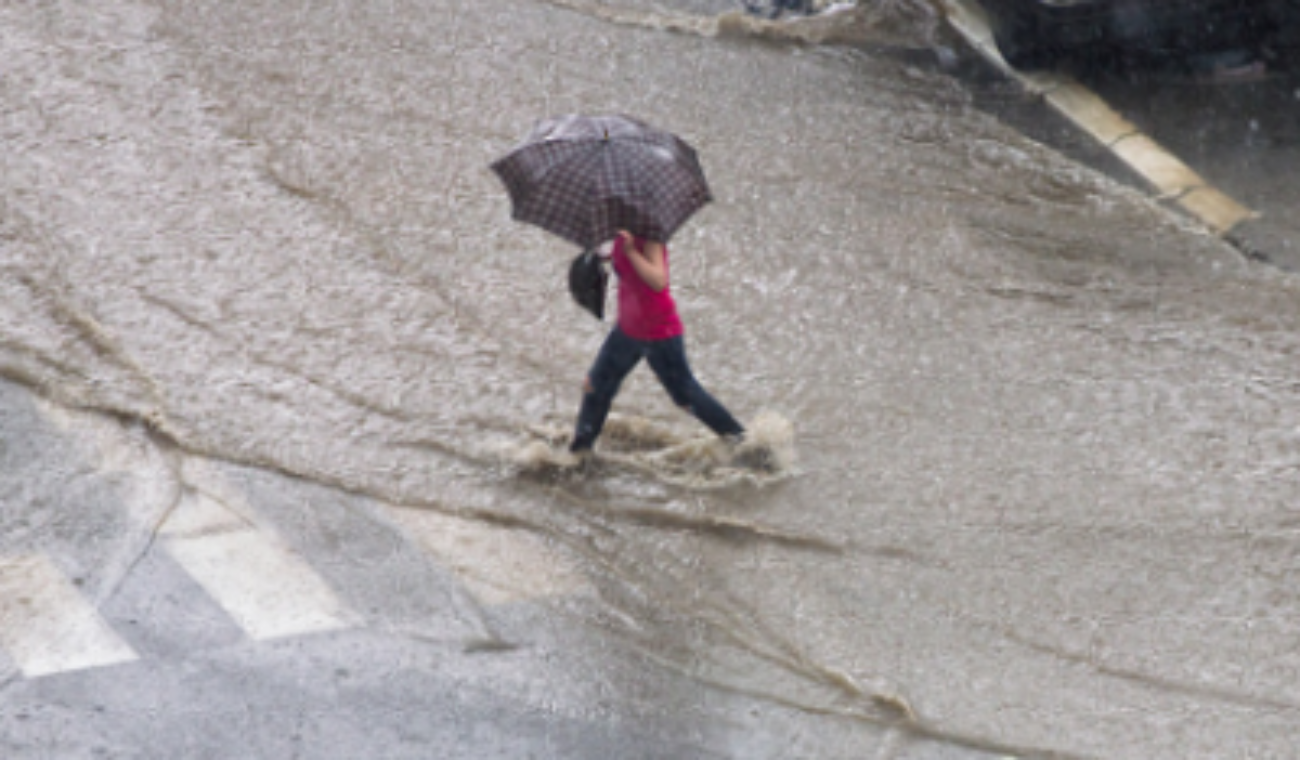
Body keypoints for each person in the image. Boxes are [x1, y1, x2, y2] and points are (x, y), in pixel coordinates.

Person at [570, 230, 745, 454]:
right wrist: (603, 255)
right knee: (596, 386)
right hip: (628, 329)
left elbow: (658, 280)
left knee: (684, 395)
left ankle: (741, 441)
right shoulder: (623, 230)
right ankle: (580, 453)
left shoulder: (649, 232)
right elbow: (625, 266)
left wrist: (631, 252)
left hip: (658, 331)